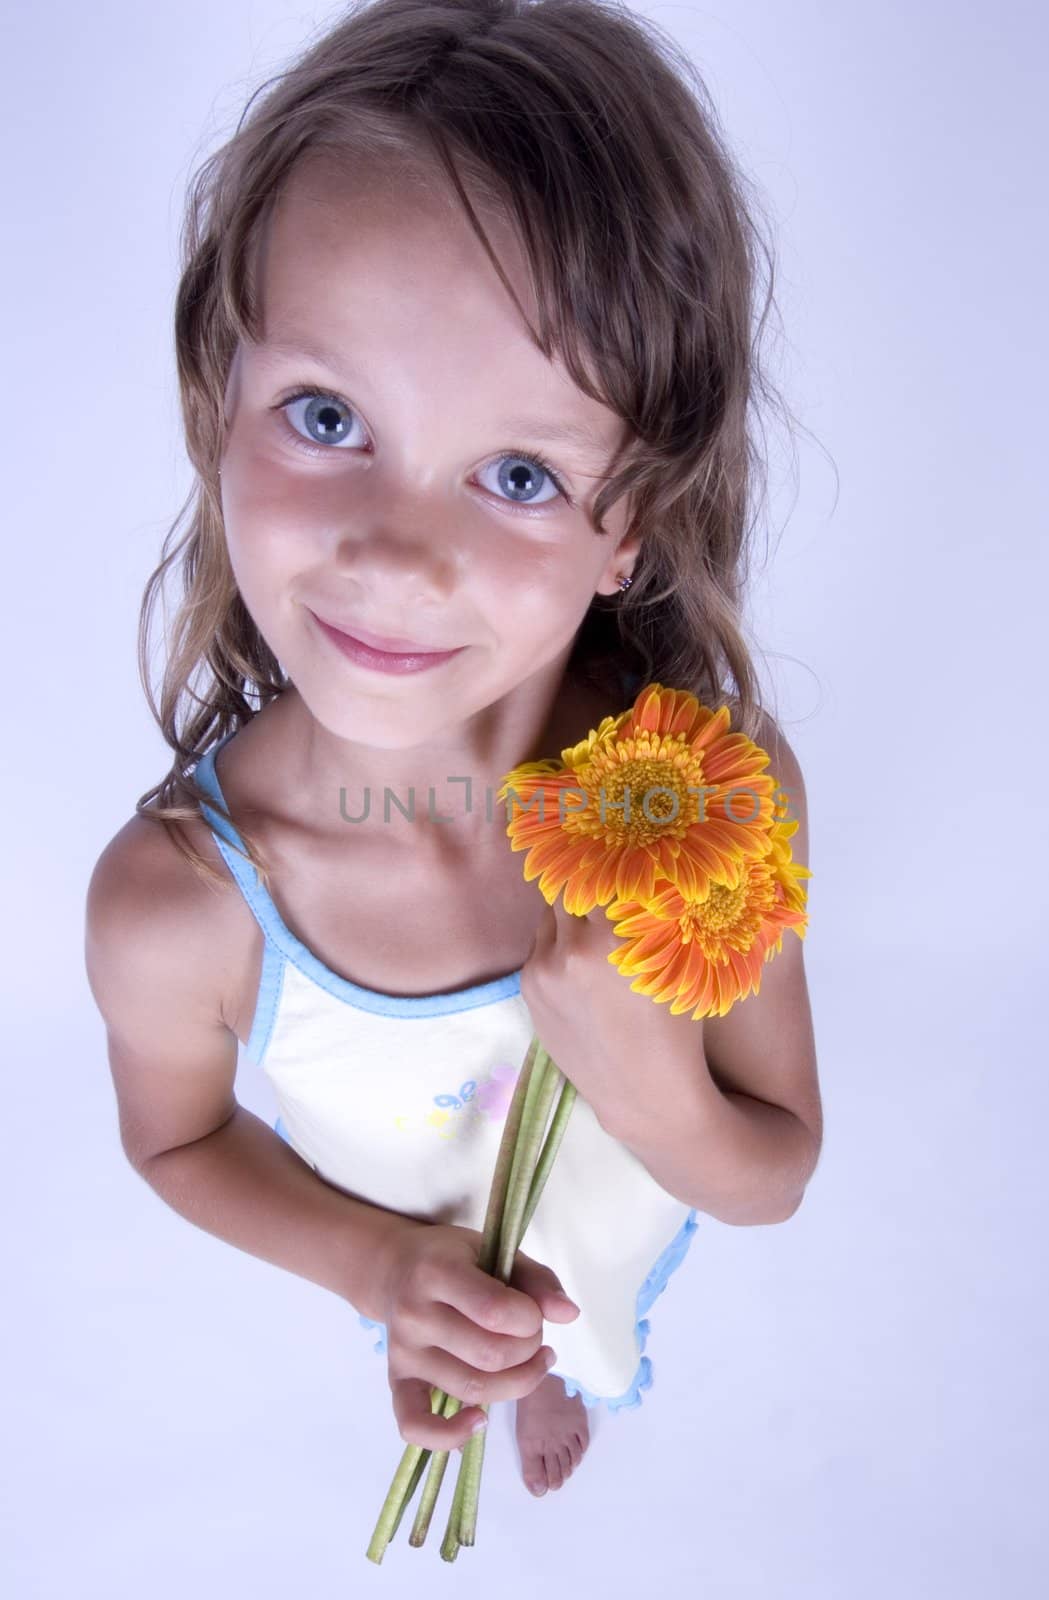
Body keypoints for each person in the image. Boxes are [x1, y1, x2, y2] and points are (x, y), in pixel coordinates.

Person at [84, 0, 823, 1502]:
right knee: (467, 1334)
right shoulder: (178, 913)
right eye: (326, 413)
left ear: (634, 522)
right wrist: (383, 1270)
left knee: (577, 1317)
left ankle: (572, 1372)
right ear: (215, 398)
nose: (399, 556)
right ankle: (486, 1358)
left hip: (612, 1212)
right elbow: (178, 1147)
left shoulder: (702, 799)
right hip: (415, 1248)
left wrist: (653, 1088)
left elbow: (772, 1171)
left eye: (517, 472)